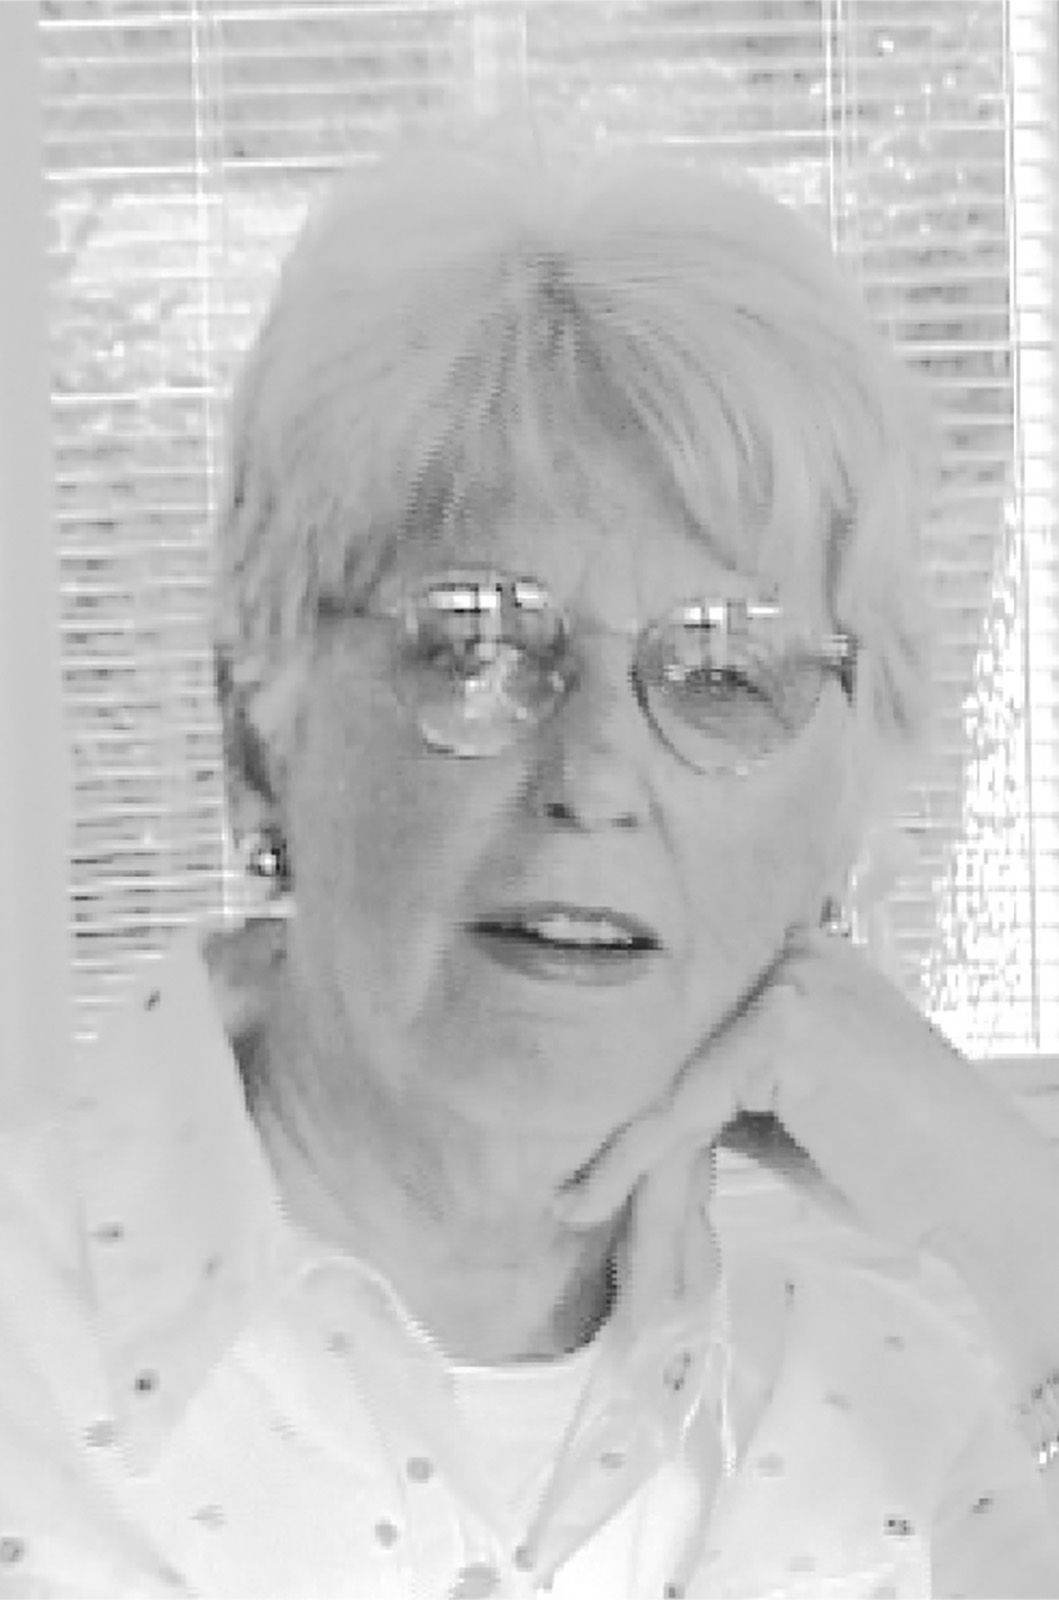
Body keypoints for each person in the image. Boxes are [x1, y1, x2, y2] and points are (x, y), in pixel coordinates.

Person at [2, 113, 1058, 1600]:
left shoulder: (903, 1428)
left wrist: (1023, 1221)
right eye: (476, 647)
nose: (597, 777)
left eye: (725, 676)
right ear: (258, 730)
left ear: (846, 804)